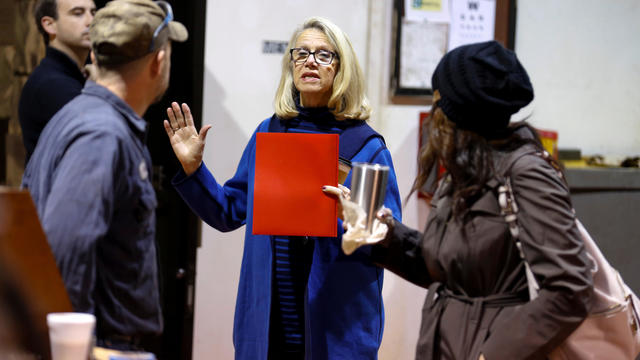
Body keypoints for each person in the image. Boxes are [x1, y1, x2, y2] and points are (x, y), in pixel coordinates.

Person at [335, 41, 594, 359]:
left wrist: (494, 353)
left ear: (459, 109)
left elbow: (570, 289)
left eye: (439, 99)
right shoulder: (464, 170)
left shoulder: (526, 172)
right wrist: (383, 233)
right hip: (448, 345)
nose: (434, 110)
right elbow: (446, 269)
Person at [165, 17, 402, 359]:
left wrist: (352, 218)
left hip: (334, 329)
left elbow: (386, 242)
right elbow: (228, 211)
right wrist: (193, 169)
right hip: (268, 324)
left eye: (323, 55)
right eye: (301, 53)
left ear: (342, 67)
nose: (309, 61)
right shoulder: (271, 133)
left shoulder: (365, 147)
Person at [21, 0, 188, 352]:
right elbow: (64, 247)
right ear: (159, 62)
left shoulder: (82, 115)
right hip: (103, 346)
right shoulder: (102, 134)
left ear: (95, 58)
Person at [18, 0, 96, 164]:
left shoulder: (72, 77)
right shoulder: (51, 85)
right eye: (78, 13)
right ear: (49, 25)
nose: (90, 21)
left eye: (93, 12)